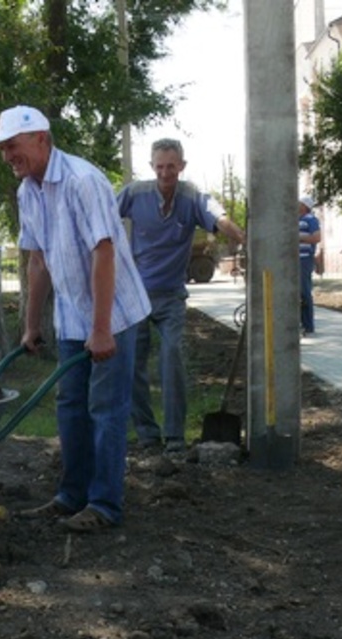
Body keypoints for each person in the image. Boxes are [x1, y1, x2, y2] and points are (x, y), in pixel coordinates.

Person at [0, 105, 151, 532]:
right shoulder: (27, 192)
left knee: (106, 408)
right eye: (2, 150)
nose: (7, 157)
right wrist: (31, 324)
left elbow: (104, 252)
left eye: (12, 146)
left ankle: (104, 505)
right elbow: (38, 260)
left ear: (40, 138)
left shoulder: (82, 181)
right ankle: (71, 495)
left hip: (115, 313)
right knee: (70, 406)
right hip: (73, 315)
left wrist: (101, 328)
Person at [118, 138, 246, 454]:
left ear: (182, 166)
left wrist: (245, 238)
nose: (165, 173)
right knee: (133, 363)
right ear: (152, 167)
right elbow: (101, 214)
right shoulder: (135, 193)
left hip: (171, 296)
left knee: (172, 356)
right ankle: (148, 434)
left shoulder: (191, 196)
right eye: (159, 167)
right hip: (136, 294)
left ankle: (174, 436)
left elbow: (219, 217)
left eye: (171, 166)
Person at [298, 196, 322, 335]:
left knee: (304, 291)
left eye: (299, 203)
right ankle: (301, 322)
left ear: (304, 206)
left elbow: (316, 238)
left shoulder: (310, 219)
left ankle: (308, 325)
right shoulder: (298, 220)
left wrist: (298, 237)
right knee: (297, 293)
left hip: (304, 259)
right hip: (295, 259)